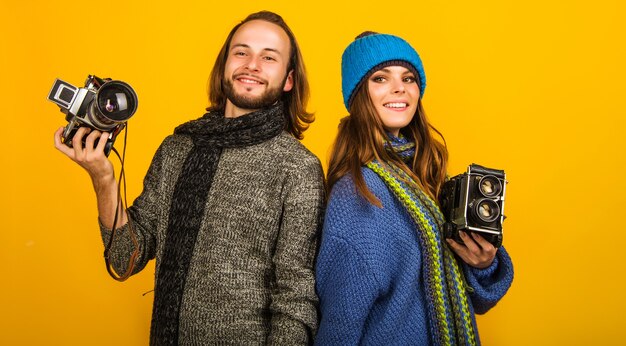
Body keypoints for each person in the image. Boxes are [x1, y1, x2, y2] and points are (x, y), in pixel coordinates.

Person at [54, 11, 324, 345]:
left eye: (269, 57)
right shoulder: (177, 149)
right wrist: (103, 179)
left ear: (288, 80)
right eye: (241, 52)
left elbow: (295, 299)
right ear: (224, 64)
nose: (252, 65)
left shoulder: (297, 167)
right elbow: (125, 258)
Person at [314, 32, 514, 345]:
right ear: (358, 96)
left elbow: (472, 299)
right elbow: (340, 325)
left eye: (408, 78)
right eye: (380, 78)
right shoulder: (357, 195)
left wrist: (484, 264)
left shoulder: (427, 179)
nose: (399, 88)